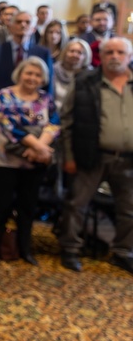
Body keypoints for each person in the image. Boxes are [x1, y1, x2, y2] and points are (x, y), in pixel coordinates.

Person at [57, 37, 133, 274]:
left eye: (120, 52)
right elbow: (67, 120)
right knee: (76, 205)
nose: (114, 56)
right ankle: (69, 249)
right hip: (91, 155)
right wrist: (69, 156)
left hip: (129, 160)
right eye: (109, 52)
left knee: (129, 209)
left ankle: (123, 252)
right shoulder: (84, 80)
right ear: (101, 55)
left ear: (129, 56)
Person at [0, 57, 59, 266]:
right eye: (28, 73)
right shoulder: (5, 95)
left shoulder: (46, 98)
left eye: (37, 74)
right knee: (1, 205)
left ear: (43, 78)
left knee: (28, 207)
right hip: (6, 161)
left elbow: (54, 123)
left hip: (34, 162)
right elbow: (7, 126)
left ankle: (25, 249)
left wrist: (40, 147)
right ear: (20, 73)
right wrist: (39, 147)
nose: (32, 77)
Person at [0, 9, 53, 99]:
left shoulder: (43, 53)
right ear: (10, 27)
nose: (23, 25)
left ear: (33, 29)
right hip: (1, 105)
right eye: (18, 22)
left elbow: (48, 85)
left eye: (27, 22)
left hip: (33, 107)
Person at [53, 37, 92, 114]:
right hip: (54, 114)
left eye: (79, 53)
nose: (75, 55)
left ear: (86, 56)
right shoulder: (53, 70)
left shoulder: (90, 75)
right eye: (71, 51)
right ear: (65, 53)